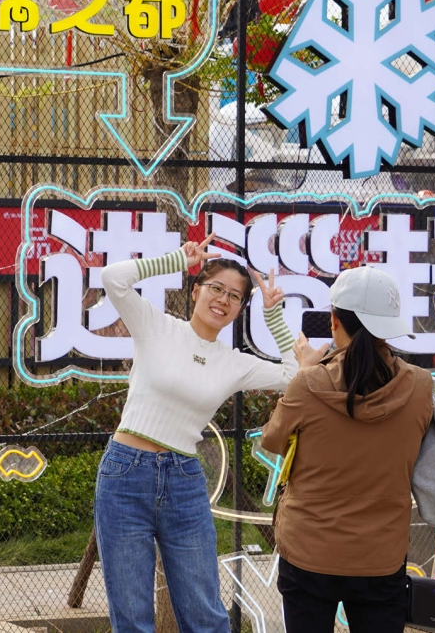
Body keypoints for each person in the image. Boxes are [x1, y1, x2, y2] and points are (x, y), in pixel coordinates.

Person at [95, 234, 324, 633]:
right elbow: (113, 278)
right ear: (196, 290)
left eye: (235, 296)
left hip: (184, 481)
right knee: (131, 620)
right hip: (124, 475)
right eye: (216, 288)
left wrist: (273, 316)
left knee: (205, 617)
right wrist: (174, 259)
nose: (223, 299)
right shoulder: (156, 326)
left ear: (239, 309)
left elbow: (295, 377)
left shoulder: (232, 363)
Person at [260, 265, 435, 633]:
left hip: (309, 552)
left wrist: (304, 371)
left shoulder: (309, 384)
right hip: (381, 557)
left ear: (334, 321)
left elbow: (272, 441)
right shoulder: (420, 387)